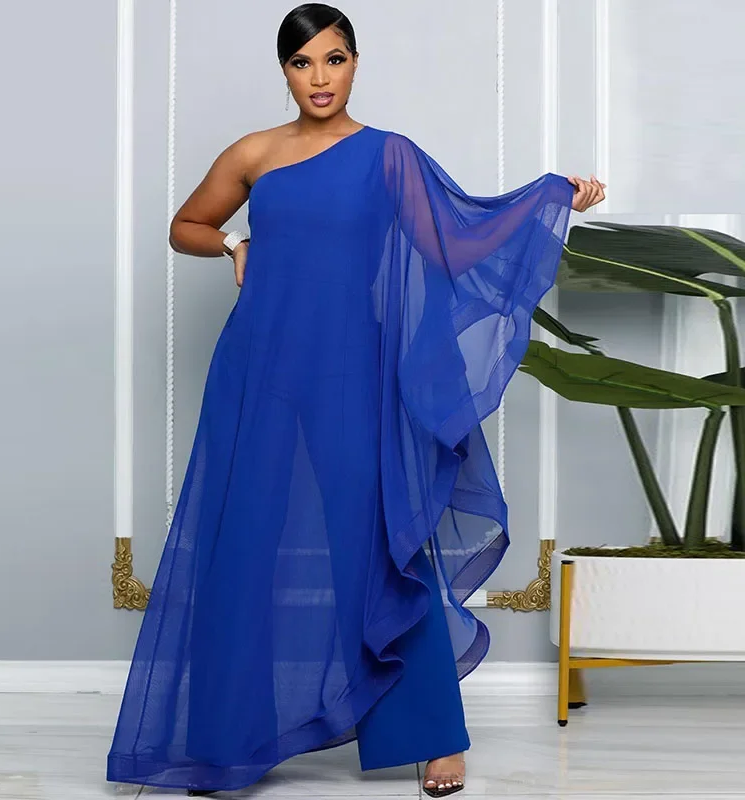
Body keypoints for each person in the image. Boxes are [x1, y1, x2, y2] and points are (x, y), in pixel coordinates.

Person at [106, 3, 606, 797]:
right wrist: (234, 242)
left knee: (385, 544)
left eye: (333, 59)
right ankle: (224, 744)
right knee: (243, 540)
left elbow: (458, 240)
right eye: (303, 63)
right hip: (260, 368)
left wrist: (552, 200)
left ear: (354, 63)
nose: (320, 78)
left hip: (356, 370)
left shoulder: (388, 156)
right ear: (285, 71)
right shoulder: (254, 152)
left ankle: (432, 737)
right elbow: (185, 226)